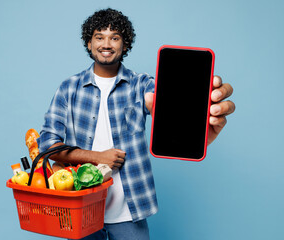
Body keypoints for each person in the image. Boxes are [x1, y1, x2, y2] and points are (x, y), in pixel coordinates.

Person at [37, 8, 235, 240]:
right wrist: (97, 157)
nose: (106, 43)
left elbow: (169, 105)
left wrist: (197, 126)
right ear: (89, 43)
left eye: (115, 37)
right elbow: (47, 146)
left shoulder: (142, 85)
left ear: (125, 44)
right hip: (82, 209)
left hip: (129, 210)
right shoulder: (68, 88)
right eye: (99, 37)